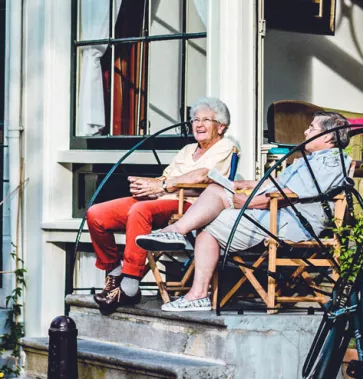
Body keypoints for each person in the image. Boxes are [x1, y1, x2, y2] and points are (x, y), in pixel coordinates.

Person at [136, 111, 351, 311]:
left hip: (290, 223)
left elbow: (287, 196)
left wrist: (246, 202)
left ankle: (197, 292)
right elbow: (277, 183)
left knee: (209, 224)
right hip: (277, 214)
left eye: (312, 128)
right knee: (215, 189)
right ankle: (177, 232)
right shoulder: (310, 160)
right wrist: (245, 184)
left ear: (328, 136)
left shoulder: (330, 162)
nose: (306, 132)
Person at [87, 97, 238, 314]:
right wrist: (147, 185)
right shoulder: (187, 150)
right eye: (195, 119)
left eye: (206, 119)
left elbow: (203, 176)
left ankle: (129, 285)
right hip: (161, 199)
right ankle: (115, 271)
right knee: (96, 214)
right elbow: (165, 178)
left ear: (221, 126)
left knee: (139, 211)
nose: (198, 124)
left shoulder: (225, 147)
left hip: (189, 205)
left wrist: (162, 186)